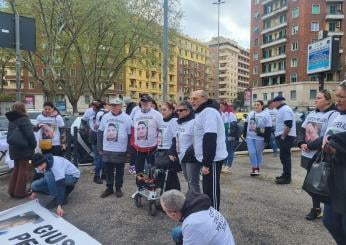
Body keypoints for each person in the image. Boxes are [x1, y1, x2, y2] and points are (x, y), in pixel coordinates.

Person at [297, 89, 338, 221]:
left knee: (319, 184)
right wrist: (301, 142)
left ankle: (319, 210)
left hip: (320, 156)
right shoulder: (311, 113)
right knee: (312, 184)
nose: (316, 100)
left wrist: (310, 146)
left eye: (319, 98)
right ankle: (318, 209)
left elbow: (328, 135)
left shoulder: (333, 114)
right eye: (316, 97)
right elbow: (302, 130)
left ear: (328, 100)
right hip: (307, 154)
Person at [191, 90, 228, 210]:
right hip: (206, 157)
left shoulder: (209, 112)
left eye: (195, 98)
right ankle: (208, 214)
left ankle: (215, 215)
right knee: (207, 188)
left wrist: (206, 163)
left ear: (204, 99)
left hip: (212, 159)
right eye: (191, 99)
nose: (192, 101)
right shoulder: (201, 112)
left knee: (211, 189)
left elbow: (210, 137)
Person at [160, 189, 235, 245]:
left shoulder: (192, 224)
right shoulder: (199, 205)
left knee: (177, 233)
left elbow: (194, 227)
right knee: (177, 232)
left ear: (173, 213)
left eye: (165, 211)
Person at [322, 81, 346, 244]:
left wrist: (335, 147)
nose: (338, 100)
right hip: (334, 178)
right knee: (329, 221)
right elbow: (326, 137)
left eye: (342, 97)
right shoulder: (338, 116)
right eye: (337, 96)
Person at [97, 98, 132, 198]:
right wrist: (100, 147)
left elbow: (130, 134)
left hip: (120, 149)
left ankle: (118, 188)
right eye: (112, 105)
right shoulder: (105, 117)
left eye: (116, 105)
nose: (114, 107)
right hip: (107, 148)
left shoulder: (127, 118)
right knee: (108, 169)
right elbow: (100, 132)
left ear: (121, 106)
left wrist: (129, 149)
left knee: (120, 170)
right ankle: (109, 188)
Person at [6, 102, 37, 198]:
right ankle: (20, 192)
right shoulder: (24, 119)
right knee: (24, 169)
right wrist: (34, 145)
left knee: (16, 168)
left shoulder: (12, 119)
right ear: (23, 109)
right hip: (24, 148)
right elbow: (29, 134)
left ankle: (12, 191)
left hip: (14, 147)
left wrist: (36, 127)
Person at [132, 94, 163, 190]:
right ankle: (140, 186)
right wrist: (133, 143)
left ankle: (152, 187)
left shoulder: (156, 114)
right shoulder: (136, 113)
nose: (145, 103)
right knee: (139, 170)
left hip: (152, 147)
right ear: (140, 103)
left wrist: (159, 145)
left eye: (147, 102)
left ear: (151, 103)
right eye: (143, 102)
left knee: (153, 170)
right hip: (139, 148)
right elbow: (133, 129)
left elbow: (161, 129)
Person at [169, 101, 199, 192]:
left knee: (193, 182)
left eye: (181, 110)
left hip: (191, 157)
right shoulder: (179, 122)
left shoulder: (194, 122)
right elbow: (175, 138)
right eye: (177, 110)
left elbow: (198, 140)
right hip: (181, 156)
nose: (178, 112)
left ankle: (196, 202)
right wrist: (172, 152)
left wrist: (190, 152)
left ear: (188, 111)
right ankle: (192, 199)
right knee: (188, 181)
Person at [272, 96, 296, 184]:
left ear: (278, 102)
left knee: (285, 157)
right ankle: (285, 174)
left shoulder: (285, 110)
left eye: (274, 102)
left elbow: (288, 124)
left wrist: (282, 136)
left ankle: (287, 178)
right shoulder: (282, 109)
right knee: (283, 157)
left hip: (286, 136)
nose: (273, 104)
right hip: (285, 136)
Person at [243, 100, 272, 176]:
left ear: (262, 106)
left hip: (260, 138)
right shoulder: (251, 113)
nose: (256, 106)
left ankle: (256, 169)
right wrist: (244, 134)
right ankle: (255, 168)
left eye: (258, 105)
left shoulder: (266, 115)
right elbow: (246, 124)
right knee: (252, 152)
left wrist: (267, 139)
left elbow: (268, 128)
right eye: (255, 105)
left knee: (258, 153)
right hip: (250, 137)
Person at [157, 102, 180, 191]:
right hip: (160, 150)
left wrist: (172, 152)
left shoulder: (174, 121)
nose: (162, 112)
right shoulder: (162, 120)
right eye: (161, 110)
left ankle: (174, 195)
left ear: (171, 110)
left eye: (164, 110)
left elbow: (176, 137)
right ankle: (164, 195)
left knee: (170, 175)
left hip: (169, 151)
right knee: (161, 174)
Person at [220, 102, 238, 173]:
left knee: (230, 150)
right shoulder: (222, 114)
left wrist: (231, 134)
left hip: (230, 135)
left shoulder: (230, 114)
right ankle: (224, 165)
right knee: (225, 150)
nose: (220, 108)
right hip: (224, 134)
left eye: (222, 107)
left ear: (225, 106)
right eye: (219, 107)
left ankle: (228, 166)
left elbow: (234, 125)